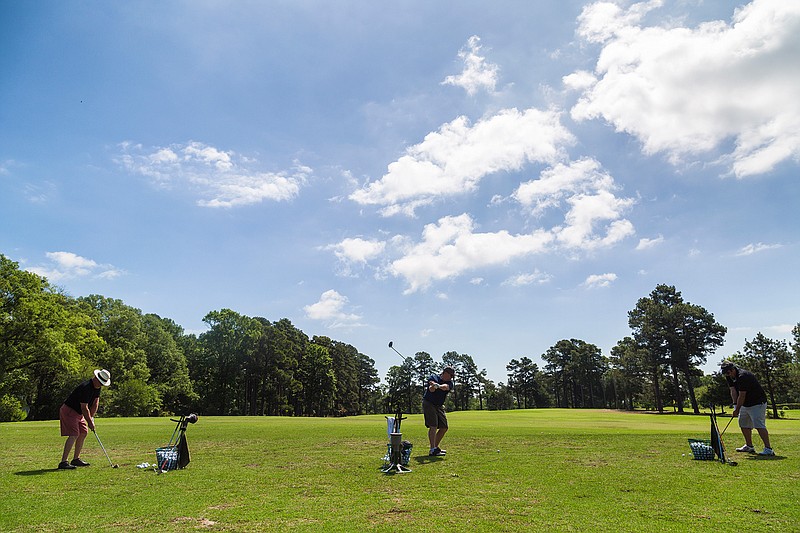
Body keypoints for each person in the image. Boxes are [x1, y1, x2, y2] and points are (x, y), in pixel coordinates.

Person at [58, 369, 112, 469]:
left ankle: (76, 459)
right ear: (96, 378)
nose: (101, 385)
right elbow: (84, 407)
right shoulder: (86, 387)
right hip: (69, 410)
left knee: (83, 432)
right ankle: (63, 462)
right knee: (74, 434)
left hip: (79, 413)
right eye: (100, 382)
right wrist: (89, 422)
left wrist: (91, 418)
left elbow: (95, 402)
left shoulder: (97, 387)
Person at [720, 360, 774, 456]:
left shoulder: (743, 376)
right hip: (745, 404)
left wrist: (737, 410)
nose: (727, 375)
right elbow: (733, 391)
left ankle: (768, 449)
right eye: (725, 374)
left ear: (733, 369)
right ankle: (749, 446)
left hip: (757, 402)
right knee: (743, 424)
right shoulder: (730, 377)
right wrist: (735, 405)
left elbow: (742, 395)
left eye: (728, 372)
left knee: (759, 425)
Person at [422, 366, 455, 457]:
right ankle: (432, 449)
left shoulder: (449, 383)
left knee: (444, 427)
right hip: (429, 403)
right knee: (433, 426)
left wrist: (438, 386)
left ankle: (435, 448)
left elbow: (446, 387)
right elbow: (431, 389)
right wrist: (433, 386)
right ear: (445, 373)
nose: (451, 378)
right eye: (450, 375)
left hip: (439, 405)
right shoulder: (433, 377)